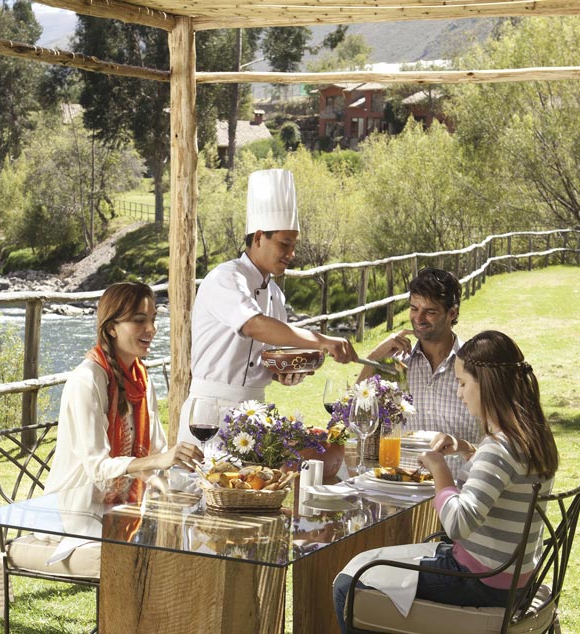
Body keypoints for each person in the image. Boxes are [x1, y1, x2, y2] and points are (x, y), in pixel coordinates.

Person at [333, 330, 560, 633]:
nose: (459, 393)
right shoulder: (529, 438)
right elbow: (507, 481)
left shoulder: (499, 447)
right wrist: (467, 450)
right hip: (511, 576)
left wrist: (441, 471)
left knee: (348, 583)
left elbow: (458, 524)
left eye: (463, 383)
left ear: (488, 385)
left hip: (480, 580)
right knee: (365, 560)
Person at [178, 168, 359, 445]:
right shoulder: (226, 278)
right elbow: (254, 325)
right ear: (259, 237)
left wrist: (285, 374)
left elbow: (271, 360)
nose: (292, 253)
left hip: (255, 416)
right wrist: (323, 341)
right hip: (208, 414)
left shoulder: (276, 295)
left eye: (294, 245)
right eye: (285, 243)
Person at [44, 281, 203, 500]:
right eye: (139, 320)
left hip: (128, 504)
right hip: (76, 506)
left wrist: (177, 473)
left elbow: (157, 451)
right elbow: (98, 468)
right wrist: (160, 461)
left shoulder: (140, 378)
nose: (152, 329)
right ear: (111, 328)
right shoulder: (87, 380)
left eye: (153, 319)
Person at [356, 267, 480, 473]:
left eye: (430, 312)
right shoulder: (395, 363)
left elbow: (500, 438)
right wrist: (374, 358)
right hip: (403, 487)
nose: (419, 318)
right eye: (414, 309)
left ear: (452, 313)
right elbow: (356, 415)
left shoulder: (475, 365)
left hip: (459, 491)